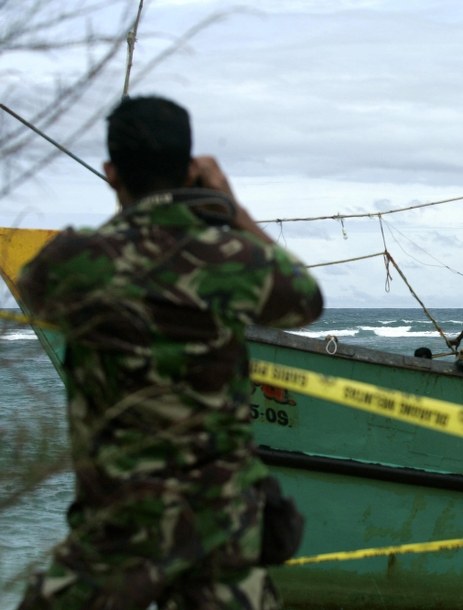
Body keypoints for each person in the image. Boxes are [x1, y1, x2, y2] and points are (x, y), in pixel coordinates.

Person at [16, 96, 324, 610]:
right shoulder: (234, 261)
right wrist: (229, 206)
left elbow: (34, 289)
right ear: (189, 170)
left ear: (111, 171)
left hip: (118, 526)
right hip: (221, 526)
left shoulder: (75, 261)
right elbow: (305, 301)